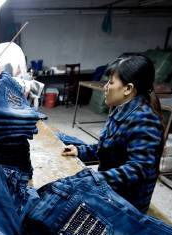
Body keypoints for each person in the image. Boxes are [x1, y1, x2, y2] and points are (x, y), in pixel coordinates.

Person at [62, 55, 164, 212]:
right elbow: (109, 148)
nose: (105, 87)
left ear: (128, 89)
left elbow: (138, 169)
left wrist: (94, 180)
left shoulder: (144, 118)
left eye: (110, 82)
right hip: (112, 191)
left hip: (127, 204)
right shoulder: (121, 109)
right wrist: (80, 150)